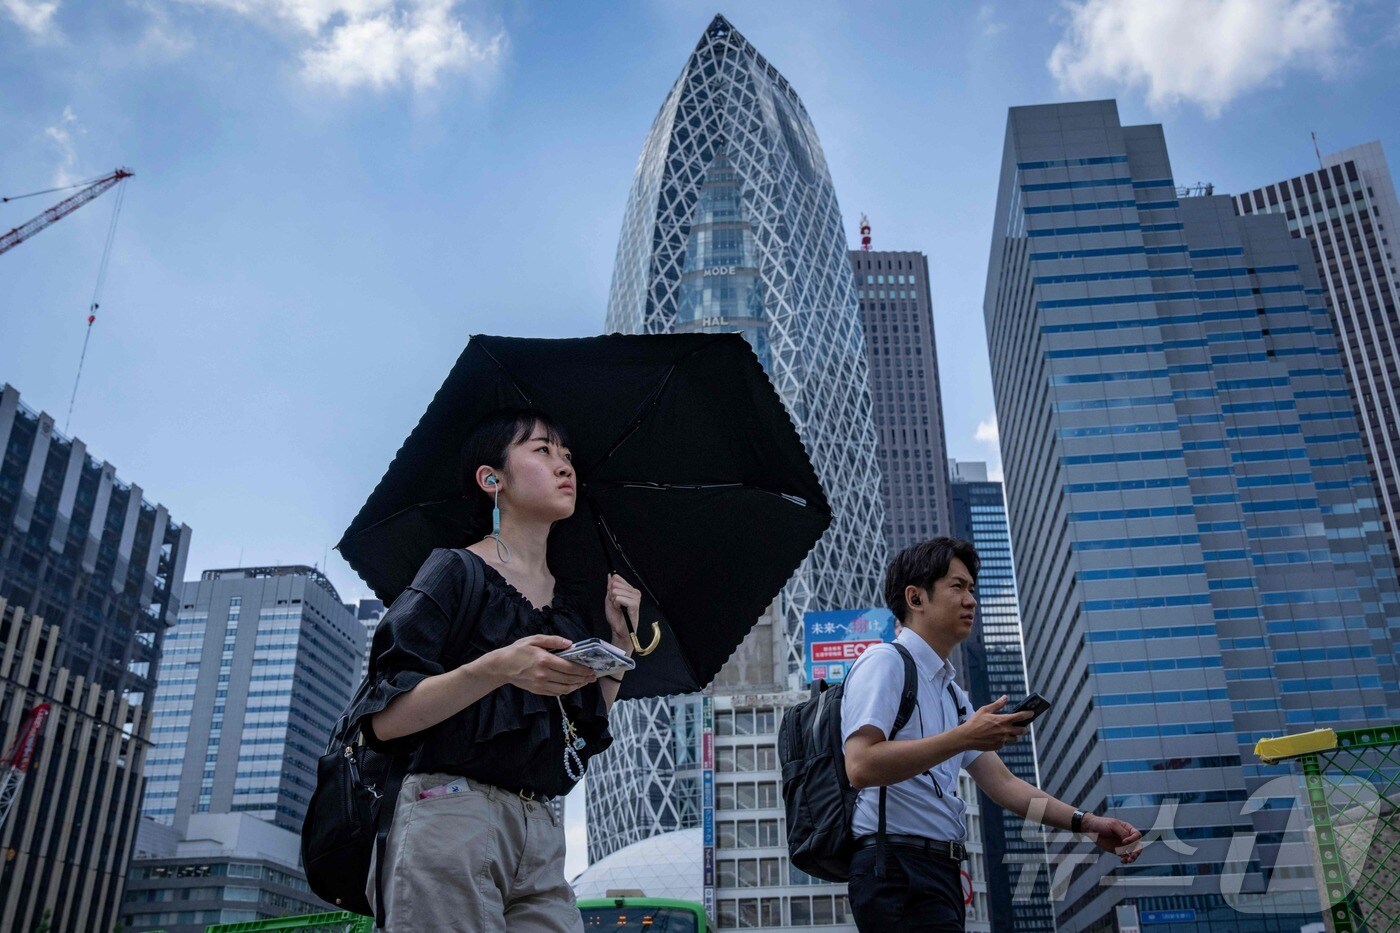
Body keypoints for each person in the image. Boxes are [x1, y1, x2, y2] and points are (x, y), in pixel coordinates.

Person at [354, 408, 642, 932]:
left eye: (567, 455)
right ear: (492, 480)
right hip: (449, 813)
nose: (564, 466)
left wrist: (618, 649)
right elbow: (384, 721)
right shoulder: (454, 571)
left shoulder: (571, 608)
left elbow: (577, 734)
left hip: (542, 829)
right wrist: (498, 668)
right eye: (542, 451)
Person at [842, 537, 1143, 932]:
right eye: (957, 586)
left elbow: (1004, 784)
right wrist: (965, 737)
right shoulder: (884, 661)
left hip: (939, 869)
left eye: (972, 589)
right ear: (915, 598)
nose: (971, 600)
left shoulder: (952, 693)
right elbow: (861, 765)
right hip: (896, 866)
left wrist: (1085, 823)